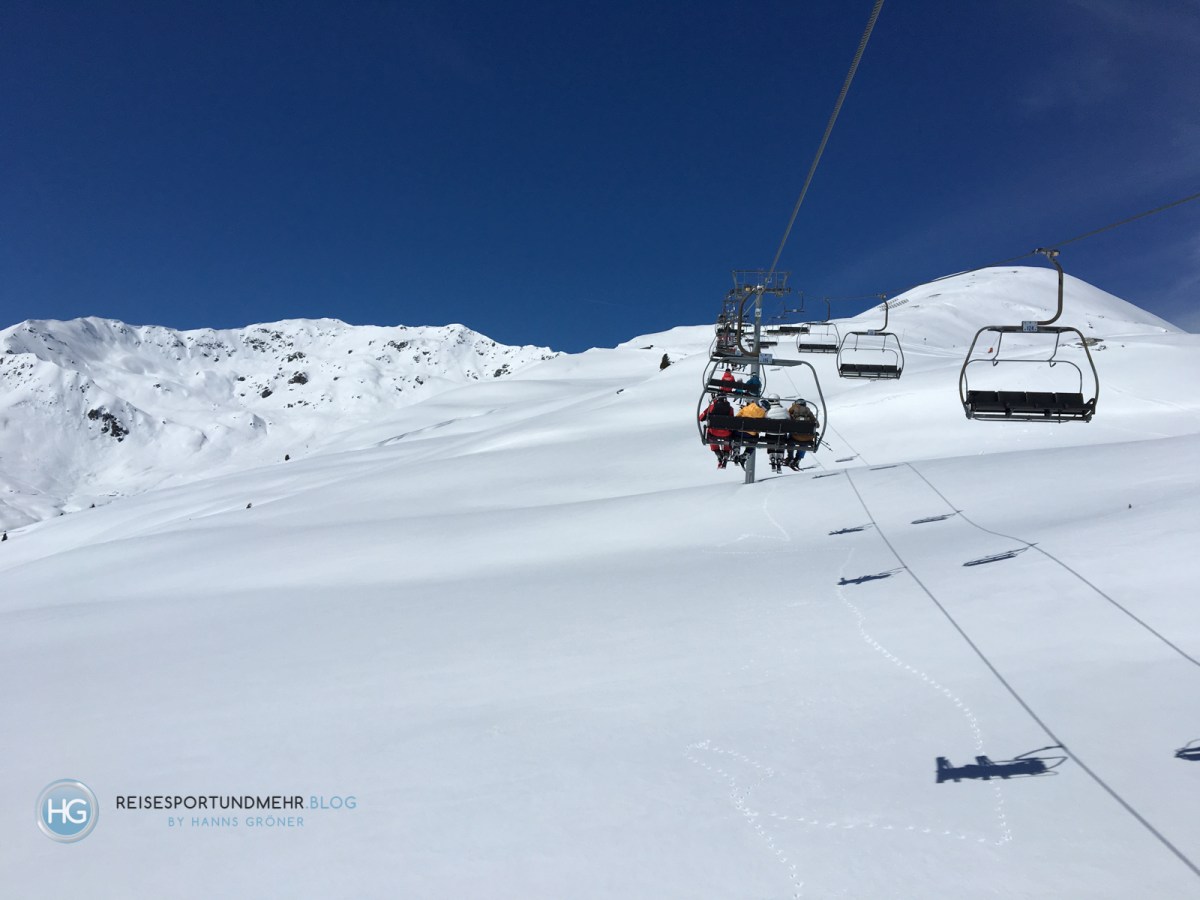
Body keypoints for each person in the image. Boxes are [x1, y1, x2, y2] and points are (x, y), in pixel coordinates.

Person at [698, 393, 735, 468]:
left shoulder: (711, 407)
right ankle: (726, 453)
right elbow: (732, 420)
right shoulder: (730, 408)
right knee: (727, 434)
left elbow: (701, 418)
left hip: (713, 433)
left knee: (711, 434)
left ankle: (718, 453)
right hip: (726, 434)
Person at [731, 396, 769, 468]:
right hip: (750, 435)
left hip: (739, 431)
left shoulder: (748, 407)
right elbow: (760, 427)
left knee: (736, 436)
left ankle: (736, 449)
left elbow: (737, 416)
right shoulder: (763, 413)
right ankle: (746, 454)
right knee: (755, 439)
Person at [784, 399, 818, 470]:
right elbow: (817, 425)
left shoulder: (792, 410)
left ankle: (790, 457)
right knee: (804, 442)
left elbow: (786, 421)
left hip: (795, 437)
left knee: (790, 438)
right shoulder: (809, 412)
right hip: (807, 438)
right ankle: (798, 458)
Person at [763, 393, 790, 473]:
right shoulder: (785, 410)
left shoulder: (768, 412)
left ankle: (772, 456)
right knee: (781, 438)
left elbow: (764, 421)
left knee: (770, 436)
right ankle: (779, 456)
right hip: (782, 435)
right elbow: (789, 419)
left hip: (770, 435)